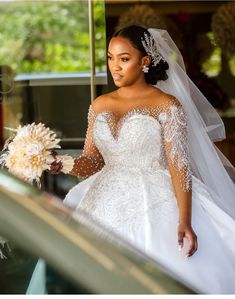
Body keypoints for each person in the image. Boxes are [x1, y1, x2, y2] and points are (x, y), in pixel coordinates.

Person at [52, 25, 235, 294]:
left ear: (145, 61)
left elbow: (179, 165)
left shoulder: (167, 105)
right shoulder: (99, 104)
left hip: (156, 197)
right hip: (101, 200)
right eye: (110, 58)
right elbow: (92, 161)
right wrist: (61, 163)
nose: (115, 66)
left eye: (124, 59)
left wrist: (185, 219)